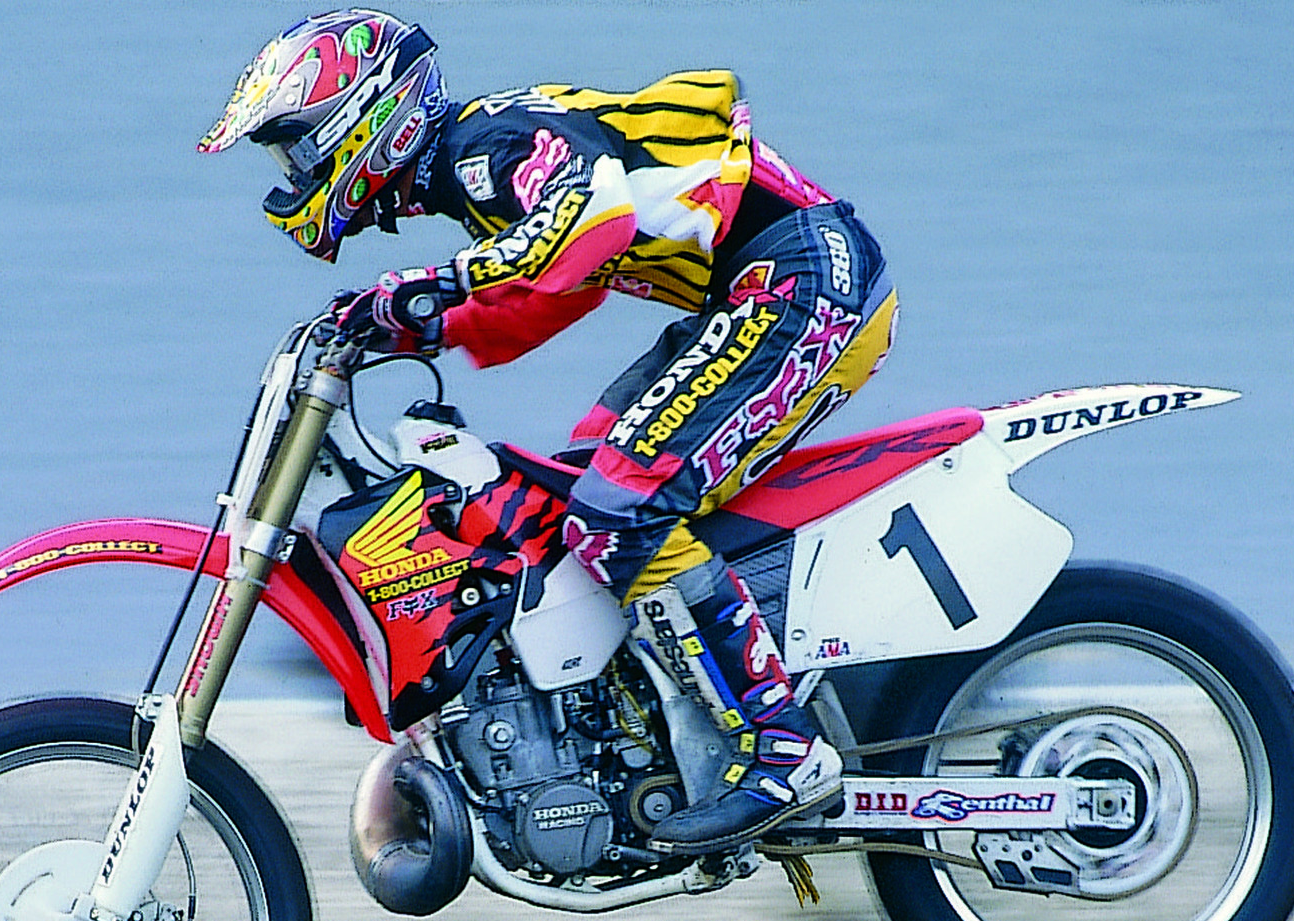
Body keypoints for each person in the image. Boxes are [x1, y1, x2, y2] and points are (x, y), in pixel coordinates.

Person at [201, 9, 896, 853]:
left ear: (366, 118)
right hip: (754, 292)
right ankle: (664, 721)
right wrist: (416, 324)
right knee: (574, 484)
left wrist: (437, 281)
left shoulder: (486, 144)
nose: (296, 174)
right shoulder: (470, 176)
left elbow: (589, 218)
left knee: (620, 505)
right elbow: (550, 294)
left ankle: (785, 747)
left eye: (301, 147)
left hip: (801, 284)